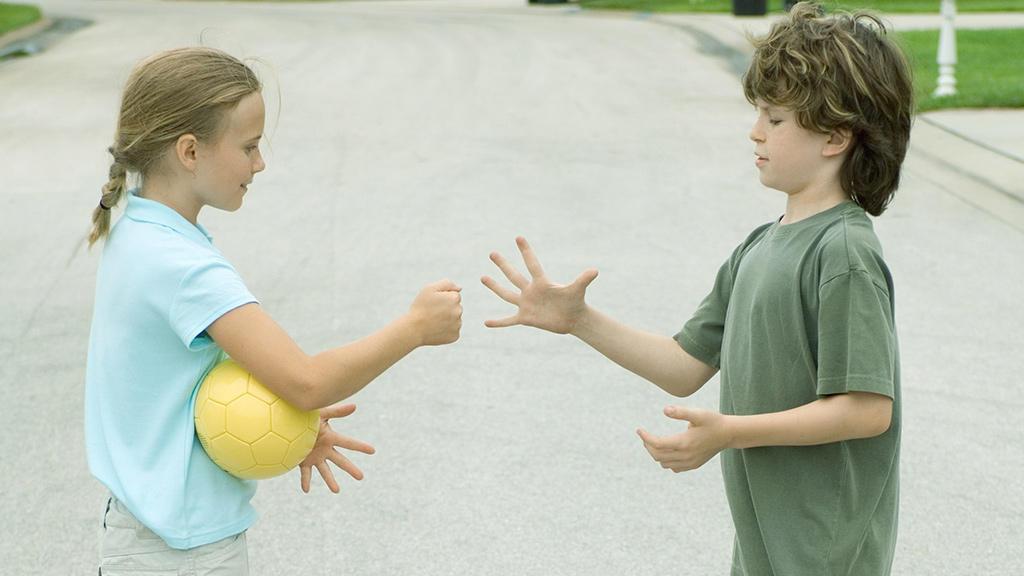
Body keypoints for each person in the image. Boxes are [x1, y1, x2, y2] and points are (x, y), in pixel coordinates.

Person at [482, 4, 912, 574]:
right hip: (765, 547)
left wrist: (730, 432)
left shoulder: (843, 252)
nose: (755, 131)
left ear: (835, 136)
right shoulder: (760, 246)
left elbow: (864, 410)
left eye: (775, 119)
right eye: (758, 113)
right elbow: (685, 366)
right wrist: (578, 320)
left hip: (823, 552)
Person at [85, 47, 463, 575]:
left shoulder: (139, 232)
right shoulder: (185, 267)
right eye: (249, 147)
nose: (259, 164)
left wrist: (281, 426)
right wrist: (416, 327)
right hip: (182, 551)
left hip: (144, 533)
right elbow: (306, 383)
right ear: (189, 151)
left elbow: (175, 387)